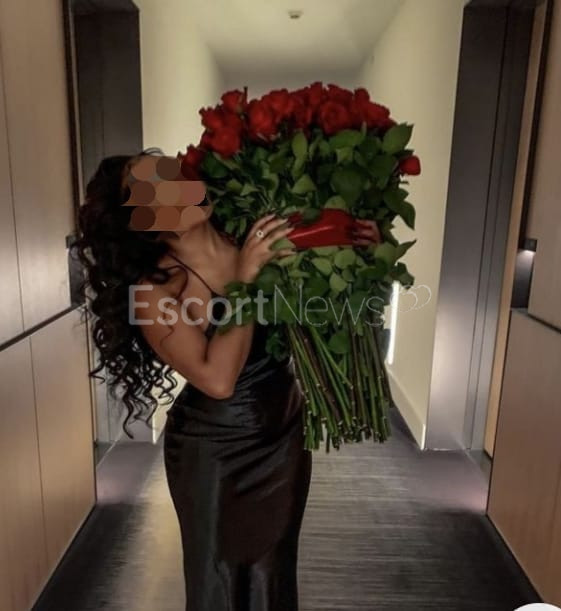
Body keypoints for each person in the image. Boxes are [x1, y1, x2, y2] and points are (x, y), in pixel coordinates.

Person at [74, 148, 312, 611]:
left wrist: (361, 240)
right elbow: (217, 380)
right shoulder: (155, 291)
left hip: (282, 432)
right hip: (215, 452)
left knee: (272, 570)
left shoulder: (246, 230)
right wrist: (245, 281)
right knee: (219, 581)